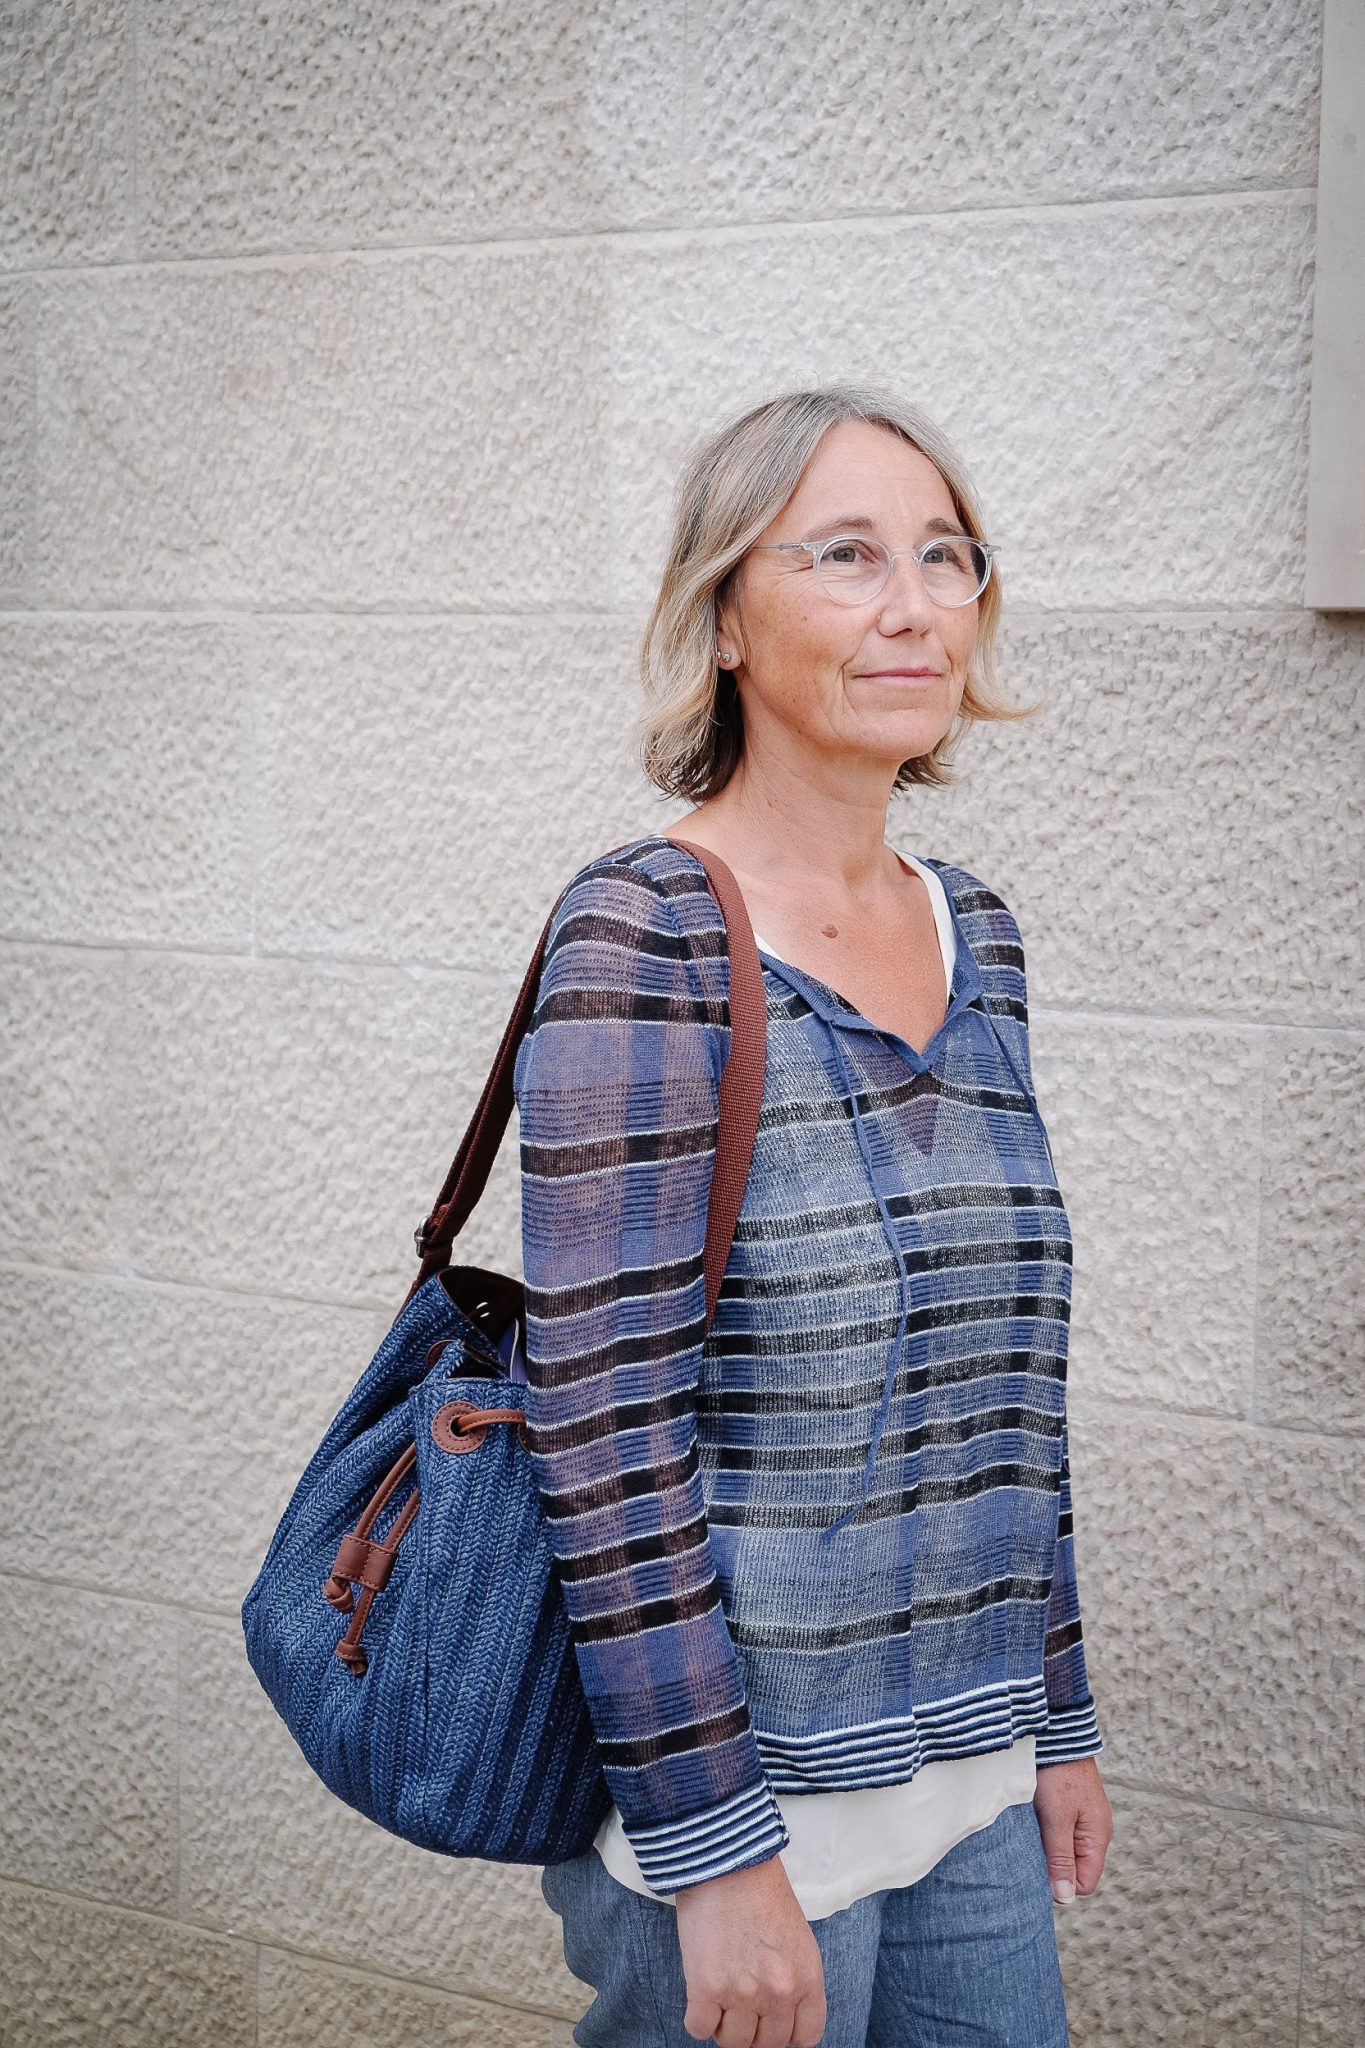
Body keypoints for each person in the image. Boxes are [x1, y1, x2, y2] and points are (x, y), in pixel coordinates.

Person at [515, 384, 1114, 2048]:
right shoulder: (648, 933)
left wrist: (1058, 1716)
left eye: (943, 555)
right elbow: (602, 1428)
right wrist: (714, 1855)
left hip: (974, 1774)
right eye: (844, 555)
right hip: (744, 1807)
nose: (912, 605)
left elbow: (1006, 1394)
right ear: (724, 618)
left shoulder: (974, 929)